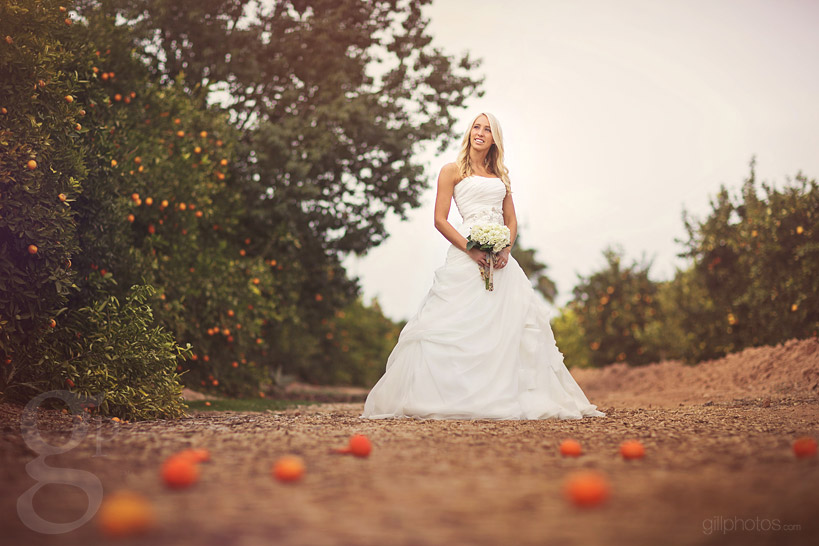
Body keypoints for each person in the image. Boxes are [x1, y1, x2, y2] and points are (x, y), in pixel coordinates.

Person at [360, 112, 605, 420]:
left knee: (508, 324)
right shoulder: (451, 171)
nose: (480, 132)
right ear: (469, 132)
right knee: (458, 323)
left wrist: (506, 247)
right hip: (466, 254)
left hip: (501, 261)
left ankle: (503, 394)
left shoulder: (501, 176)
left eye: (487, 129)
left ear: (494, 139)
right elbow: (439, 219)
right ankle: (455, 395)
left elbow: (511, 220)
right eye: (476, 126)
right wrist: (472, 250)